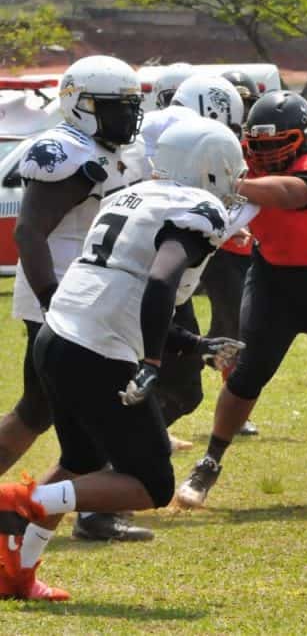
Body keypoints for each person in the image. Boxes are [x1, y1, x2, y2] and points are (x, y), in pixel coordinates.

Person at [0, 118, 248, 600]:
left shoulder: (129, 197)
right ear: (210, 166)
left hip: (57, 335)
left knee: (80, 461)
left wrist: (190, 343)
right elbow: (159, 281)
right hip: (96, 349)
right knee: (152, 485)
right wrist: (152, 363)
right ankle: (22, 500)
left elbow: (126, 287)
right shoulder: (199, 209)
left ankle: (17, 572)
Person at [174, 91, 307, 508]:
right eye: (258, 145)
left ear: (303, 138)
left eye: (276, 144)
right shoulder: (242, 165)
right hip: (274, 283)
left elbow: (288, 194)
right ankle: (210, 462)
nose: (265, 153)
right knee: (248, 373)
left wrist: (233, 185)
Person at [1, 55, 157, 543]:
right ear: (80, 105)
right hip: (64, 300)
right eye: (113, 106)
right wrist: (53, 302)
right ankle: (48, 516)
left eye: (129, 106)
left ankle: (46, 515)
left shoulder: (120, 149)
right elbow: (29, 233)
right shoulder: (64, 151)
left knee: (39, 410)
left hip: (93, 300)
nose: (125, 116)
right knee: (76, 419)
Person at [126, 74, 246, 451]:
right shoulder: (185, 132)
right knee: (181, 383)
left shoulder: (152, 127)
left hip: (113, 266)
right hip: (143, 274)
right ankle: (127, 447)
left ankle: (131, 442)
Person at [208, 69, 265, 437]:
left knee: (236, 329)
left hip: (253, 249)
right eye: (237, 103)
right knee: (233, 329)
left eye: (247, 103)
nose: (242, 112)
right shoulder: (210, 144)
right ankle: (234, 407)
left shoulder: (259, 142)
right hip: (222, 248)